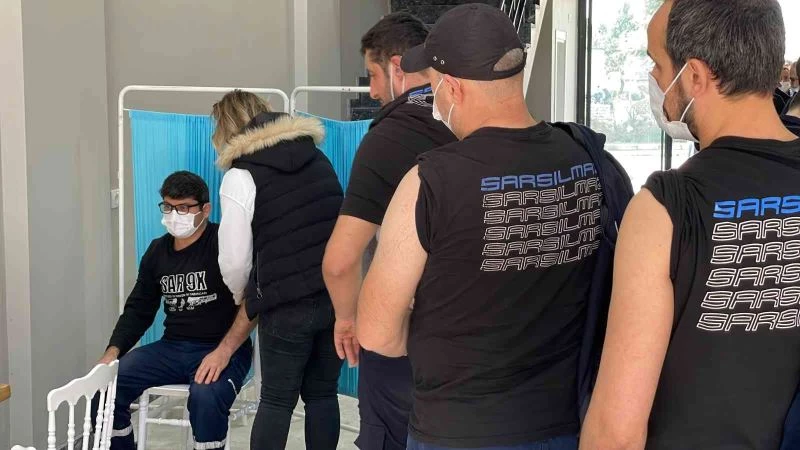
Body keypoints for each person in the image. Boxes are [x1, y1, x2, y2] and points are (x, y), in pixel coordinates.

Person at [357, 4, 605, 449]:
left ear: (452, 88)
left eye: (432, 87)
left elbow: (377, 330)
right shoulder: (586, 160)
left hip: (458, 428)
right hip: (563, 422)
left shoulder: (429, 181)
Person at [580, 1, 800, 449]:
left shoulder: (665, 208)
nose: (655, 79)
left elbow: (616, 434)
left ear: (696, 76)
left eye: (658, 64)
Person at [321, 12, 455, 450]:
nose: (373, 91)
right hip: (470, 336)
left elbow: (340, 262)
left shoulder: (388, 137)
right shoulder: (468, 122)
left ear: (397, 67)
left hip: (403, 334)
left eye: (373, 76)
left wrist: (347, 319)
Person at [212, 89, 344, 450]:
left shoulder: (240, 175)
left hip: (284, 305)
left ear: (227, 128)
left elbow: (234, 260)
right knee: (322, 394)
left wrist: (243, 297)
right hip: (334, 296)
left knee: (276, 401)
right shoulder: (318, 158)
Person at [103, 171, 252, 450]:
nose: (174, 215)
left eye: (183, 208)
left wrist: (223, 352)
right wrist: (112, 353)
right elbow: (138, 309)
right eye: (168, 207)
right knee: (107, 387)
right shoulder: (157, 252)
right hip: (172, 347)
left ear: (205, 210)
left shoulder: (225, 243)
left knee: (206, 397)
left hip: (223, 347)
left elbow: (252, 302)